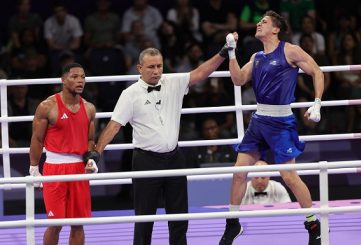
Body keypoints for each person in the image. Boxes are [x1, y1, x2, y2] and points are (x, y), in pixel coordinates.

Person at [87, 47, 228, 245]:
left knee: (179, 215)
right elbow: (114, 126)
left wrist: (223, 53)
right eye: (151, 67)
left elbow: (202, 72)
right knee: (144, 216)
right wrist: (95, 155)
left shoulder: (174, 82)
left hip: (174, 158)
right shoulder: (130, 94)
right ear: (139, 68)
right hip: (146, 160)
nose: (156, 71)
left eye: (159, 66)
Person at [219, 10, 324, 245]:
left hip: (281, 123)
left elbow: (317, 71)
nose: (258, 24)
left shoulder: (290, 50)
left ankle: (312, 224)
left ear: (275, 29)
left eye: (263, 22)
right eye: (258, 21)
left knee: (289, 177)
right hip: (258, 121)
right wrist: (232, 52)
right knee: (238, 174)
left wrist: (317, 102)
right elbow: (237, 80)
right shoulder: (256, 57)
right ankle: (233, 223)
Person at [28, 63, 98, 245]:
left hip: (78, 170)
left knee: (78, 224)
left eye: (82, 77)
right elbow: (37, 139)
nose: (80, 80)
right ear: (63, 80)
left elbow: (90, 140)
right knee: (55, 223)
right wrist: (34, 168)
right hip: (54, 169)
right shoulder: (47, 106)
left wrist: (90, 159)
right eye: (74, 77)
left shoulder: (89, 108)